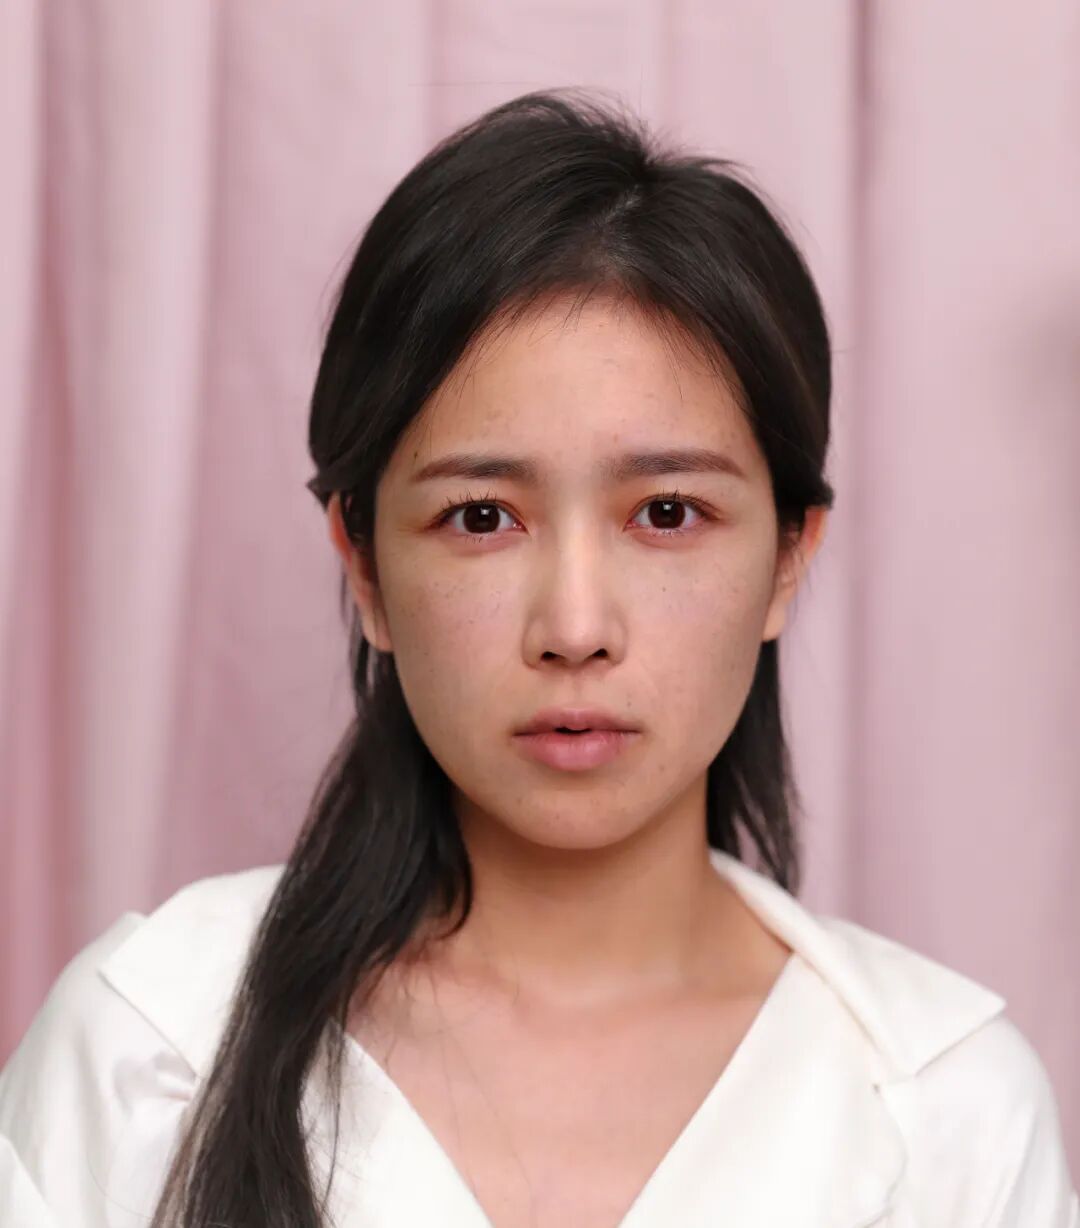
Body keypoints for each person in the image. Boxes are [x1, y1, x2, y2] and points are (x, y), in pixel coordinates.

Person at [1, 87, 1076, 1228]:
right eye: (481, 517)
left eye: (667, 513)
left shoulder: (947, 1108)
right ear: (365, 567)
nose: (573, 625)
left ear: (787, 558)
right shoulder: (150, 1051)